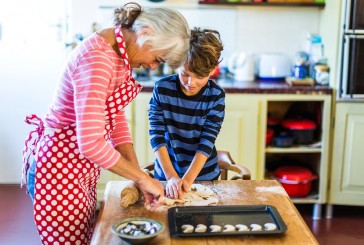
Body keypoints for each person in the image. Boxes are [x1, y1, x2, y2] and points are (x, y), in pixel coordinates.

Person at [21, 2, 190, 244]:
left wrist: (137, 175)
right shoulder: (98, 59)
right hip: (58, 171)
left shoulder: (117, 53)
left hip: (78, 170)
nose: (153, 66)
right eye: (157, 58)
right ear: (145, 33)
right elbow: (90, 143)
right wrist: (143, 179)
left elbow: (115, 119)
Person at [148, 27, 225, 200]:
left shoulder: (216, 95)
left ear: (212, 69)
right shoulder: (162, 89)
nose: (191, 83)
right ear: (177, 64)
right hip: (166, 175)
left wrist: (187, 180)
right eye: (185, 74)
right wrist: (171, 177)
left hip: (205, 177)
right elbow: (156, 135)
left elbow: (207, 141)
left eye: (200, 77)